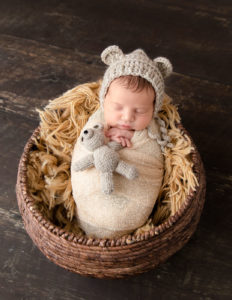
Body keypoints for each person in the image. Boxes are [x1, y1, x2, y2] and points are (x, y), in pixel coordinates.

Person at [71, 45, 173, 238]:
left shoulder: (152, 131)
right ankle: (91, 215)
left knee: (123, 210)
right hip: (92, 201)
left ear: (154, 109)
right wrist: (105, 136)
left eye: (140, 111)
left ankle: (122, 222)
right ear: (104, 101)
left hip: (132, 201)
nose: (127, 118)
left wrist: (135, 138)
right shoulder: (98, 121)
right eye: (118, 107)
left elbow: (154, 160)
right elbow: (86, 141)